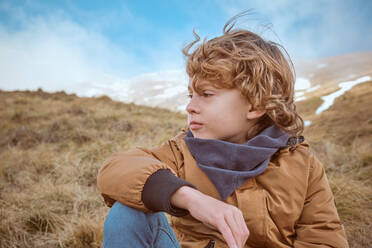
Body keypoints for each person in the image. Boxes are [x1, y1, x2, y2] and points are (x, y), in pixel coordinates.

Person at [97, 15, 349, 248]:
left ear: (256, 104)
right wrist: (190, 198)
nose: (190, 107)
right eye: (191, 95)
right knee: (128, 213)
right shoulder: (181, 151)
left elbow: (324, 239)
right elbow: (116, 170)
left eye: (206, 95)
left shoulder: (305, 167)